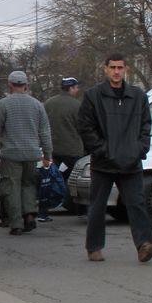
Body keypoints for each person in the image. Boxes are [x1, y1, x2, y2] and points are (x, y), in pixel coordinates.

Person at [77, 52, 152, 263]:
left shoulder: (138, 96)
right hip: (103, 163)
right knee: (98, 206)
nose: (116, 72)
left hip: (130, 162)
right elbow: (86, 127)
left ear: (126, 69)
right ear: (105, 69)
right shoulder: (93, 95)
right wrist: (101, 150)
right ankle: (94, 247)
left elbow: (146, 126)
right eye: (112, 68)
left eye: (120, 68)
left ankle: (146, 244)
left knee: (137, 204)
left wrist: (139, 149)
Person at [0, 70, 52, 236]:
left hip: (11, 154)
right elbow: (45, 132)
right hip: (31, 154)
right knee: (28, 184)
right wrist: (47, 154)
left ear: (10, 85)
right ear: (26, 85)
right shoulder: (37, 105)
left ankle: (16, 223)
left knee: (11, 187)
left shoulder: (3, 105)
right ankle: (29, 214)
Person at [43, 76, 85, 217]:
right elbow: (82, 128)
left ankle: (44, 210)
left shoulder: (48, 103)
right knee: (77, 178)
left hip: (52, 149)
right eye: (76, 87)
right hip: (73, 149)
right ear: (71, 88)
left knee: (48, 178)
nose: (77, 90)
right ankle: (78, 208)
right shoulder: (77, 105)